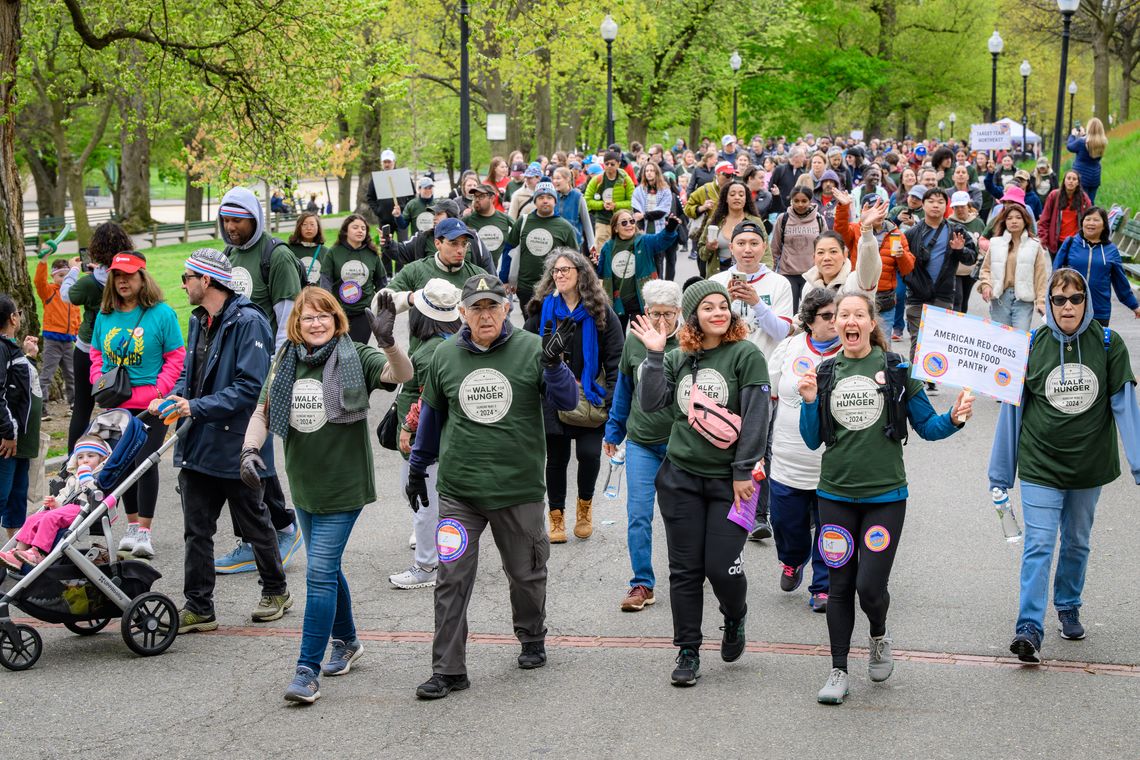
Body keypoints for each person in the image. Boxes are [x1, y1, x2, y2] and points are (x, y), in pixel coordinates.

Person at [407, 274, 578, 700]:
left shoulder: (533, 350)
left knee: (525, 574)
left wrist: (555, 367)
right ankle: (448, 669)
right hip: (459, 493)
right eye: (477, 308)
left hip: (516, 490)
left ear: (507, 309)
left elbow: (569, 401)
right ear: (462, 313)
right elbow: (430, 418)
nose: (485, 315)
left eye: (493, 306)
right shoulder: (444, 356)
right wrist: (417, 466)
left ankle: (532, 636)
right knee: (451, 579)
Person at [797, 290, 973, 705]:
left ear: (872, 323)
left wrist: (955, 418)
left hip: (885, 498)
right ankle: (838, 669)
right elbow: (811, 439)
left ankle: (878, 634)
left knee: (869, 586)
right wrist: (807, 402)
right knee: (839, 585)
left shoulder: (897, 369)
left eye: (859, 314)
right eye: (843, 315)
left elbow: (928, 426)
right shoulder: (824, 373)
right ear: (835, 324)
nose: (851, 321)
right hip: (835, 496)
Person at [242, 288, 412, 704]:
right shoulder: (286, 360)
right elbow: (263, 411)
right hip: (305, 484)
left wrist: (388, 342)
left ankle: (306, 670)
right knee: (327, 567)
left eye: (323, 316)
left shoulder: (355, 354)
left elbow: (401, 376)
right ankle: (348, 640)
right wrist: (248, 450)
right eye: (307, 318)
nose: (315, 324)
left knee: (319, 572)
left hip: (344, 486)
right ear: (296, 325)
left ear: (336, 320)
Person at [989, 268, 1140, 664]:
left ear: (1086, 301)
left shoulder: (1108, 344)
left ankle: (1068, 604)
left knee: (1076, 541)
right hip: (1041, 464)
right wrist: (1001, 474)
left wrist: (1138, 463)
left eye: (1076, 298)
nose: (1068, 306)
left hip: (1089, 466)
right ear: (1048, 304)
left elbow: (1124, 404)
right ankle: (1029, 628)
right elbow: (1012, 411)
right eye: (1060, 299)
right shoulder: (1029, 345)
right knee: (1039, 544)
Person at [631, 280, 771, 687]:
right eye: (708, 307)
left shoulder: (745, 354)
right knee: (685, 570)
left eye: (723, 306)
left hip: (731, 482)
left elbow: (758, 417)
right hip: (681, 479)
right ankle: (688, 649)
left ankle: (734, 615)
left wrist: (744, 470)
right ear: (693, 316)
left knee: (721, 569)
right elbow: (652, 402)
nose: (718, 312)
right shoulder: (679, 357)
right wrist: (655, 356)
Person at [152, 249, 291, 633]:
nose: (182, 284)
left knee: (255, 524)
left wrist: (193, 406)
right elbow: (189, 375)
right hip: (198, 442)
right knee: (196, 530)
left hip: (237, 444)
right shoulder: (200, 319)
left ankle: (276, 590)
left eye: (187, 277)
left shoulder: (250, 322)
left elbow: (251, 388)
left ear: (206, 280)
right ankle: (199, 607)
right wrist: (173, 399)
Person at [215, 189, 306, 575]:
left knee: (254, 453)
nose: (232, 227)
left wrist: (276, 374)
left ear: (255, 217)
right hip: (233, 373)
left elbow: (289, 322)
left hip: (264, 371)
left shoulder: (277, 256)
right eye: (227, 220)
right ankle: (259, 535)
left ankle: (280, 527)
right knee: (238, 455)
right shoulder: (230, 257)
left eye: (239, 220)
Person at [90, 252, 186, 559]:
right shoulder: (104, 316)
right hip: (115, 404)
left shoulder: (162, 314)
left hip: (153, 406)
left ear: (142, 277)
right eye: (117, 276)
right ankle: (131, 526)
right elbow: (95, 354)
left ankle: (145, 530)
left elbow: (176, 356)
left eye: (129, 275)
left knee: (144, 463)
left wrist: (160, 389)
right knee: (121, 465)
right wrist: (98, 381)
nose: (122, 281)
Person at [525, 250, 623, 543]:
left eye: (566, 269)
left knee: (589, 454)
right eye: (556, 270)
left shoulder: (601, 311)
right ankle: (556, 518)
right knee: (555, 459)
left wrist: (610, 400)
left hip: (590, 395)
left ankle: (585, 508)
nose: (560, 274)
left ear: (581, 273)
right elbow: (522, 349)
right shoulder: (541, 309)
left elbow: (616, 359)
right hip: (552, 395)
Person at [603, 280, 683, 612]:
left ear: (680, 312)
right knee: (638, 515)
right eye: (654, 313)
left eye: (668, 314)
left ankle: (688, 575)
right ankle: (642, 583)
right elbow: (624, 389)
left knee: (681, 516)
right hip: (641, 442)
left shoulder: (689, 342)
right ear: (646, 312)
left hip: (682, 445)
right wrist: (613, 430)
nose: (661, 321)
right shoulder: (635, 342)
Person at [767, 290, 841, 613]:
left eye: (839, 314)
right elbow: (766, 393)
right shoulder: (789, 347)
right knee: (786, 524)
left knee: (829, 528)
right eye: (827, 315)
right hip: (787, 459)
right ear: (810, 321)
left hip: (830, 466)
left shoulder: (849, 353)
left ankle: (822, 585)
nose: (836, 321)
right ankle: (792, 560)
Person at [389, 280, 463, 590]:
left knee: (424, 504)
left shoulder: (431, 350)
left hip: (425, 440)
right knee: (438, 502)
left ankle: (426, 564)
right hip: (443, 439)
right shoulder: (450, 342)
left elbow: (427, 397)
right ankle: (446, 556)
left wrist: (408, 425)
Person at [901, 188, 978, 385]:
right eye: (931, 201)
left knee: (937, 338)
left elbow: (971, 258)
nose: (936, 205)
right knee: (918, 338)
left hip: (943, 294)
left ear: (946, 206)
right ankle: (915, 382)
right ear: (923, 205)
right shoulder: (911, 233)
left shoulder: (956, 231)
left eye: (940, 201)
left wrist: (960, 250)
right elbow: (902, 263)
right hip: (916, 294)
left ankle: (932, 376)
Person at [61, 221, 126, 450]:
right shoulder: (127, 277)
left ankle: (73, 460)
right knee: (119, 407)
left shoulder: (89, 284)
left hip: (88, 347)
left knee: (82, 407)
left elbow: (67, 295)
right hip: (120, 346)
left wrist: (73, 270)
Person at [0, 435, 109, 568]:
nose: (85, 460)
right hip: (68, 508)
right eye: (80, 457)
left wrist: (86, 477)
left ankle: (38, 553)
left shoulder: (101, 476)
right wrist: (55, 502)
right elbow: (65, 495)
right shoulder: (74, 477)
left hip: (85, 509)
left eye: (90, 456)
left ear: (102, 458)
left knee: (50, 518)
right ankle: (18, 553)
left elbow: (96, 493)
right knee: (33, 518)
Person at [833, 190, 914, 334]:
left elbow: (907, 270)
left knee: (883, 346)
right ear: (864, 210)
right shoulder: (856, 229)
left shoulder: (896, 234)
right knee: (855, 339)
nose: (877, 212)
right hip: (858, 295)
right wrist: (843, 207)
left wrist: (902, 256)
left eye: (880, 208)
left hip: (884, 302)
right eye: (872, 208)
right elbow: (839, 233)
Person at [1052, 207, 1140, 326]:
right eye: (1088, 219)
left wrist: (1134, 306)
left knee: (1096, 344)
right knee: (1071, 344)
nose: (1091, 223)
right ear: (1082, 222)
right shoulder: (1070, 243)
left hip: (1099, 310)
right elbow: (1055, 275)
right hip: (1071, 308)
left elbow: (1120, 282)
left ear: (1104, 225)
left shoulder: (1111, 250)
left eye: (1096, 220)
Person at [595, 210, 681, 328]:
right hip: (617, 301)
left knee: (639, 337)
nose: (629, 225)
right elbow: (601, 273)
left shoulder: (644, 241)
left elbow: (660, 240)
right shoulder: (608, 247)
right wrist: (593, 264)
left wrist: (670, 229)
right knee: (617, 340)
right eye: (624, 223)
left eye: (632, 221)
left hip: (640, 300)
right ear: (615, 228)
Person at [502, 182, 579, 308]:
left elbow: (575, 260)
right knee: (528, 326)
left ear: (555, 201)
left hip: (554, 288)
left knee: (550, 325)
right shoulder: (523, 222)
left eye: (549, 197)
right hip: (525, 287)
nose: (545, 201)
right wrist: (505, 279)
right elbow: (508, 250)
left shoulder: (565, 227)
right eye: (541, 198)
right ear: (535, 201)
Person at [977, 203, 1049, 331]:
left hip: (1024, 299)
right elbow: (985, 269)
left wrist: (1041, 301)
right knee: (1001, 338)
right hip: (1000, 297)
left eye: (1018, 217)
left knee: (1020, 337)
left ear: (1025, 220)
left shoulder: (1035, 245)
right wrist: (986, 285)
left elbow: (1041, 277)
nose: (1014, 221)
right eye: (1009, 218)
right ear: (1004, 222)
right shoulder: (995, 243)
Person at [320, 215, 387, 344]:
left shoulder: (372, 253)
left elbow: (381, 282)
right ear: (346, 230)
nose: (360, 231)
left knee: (358, 349)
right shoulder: (333, 252)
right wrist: (328, 306)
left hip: (364, 311)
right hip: (338, 311)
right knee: (339, 348)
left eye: (363, 228)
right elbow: (325, 281)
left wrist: (380, 307)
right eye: (355, 227)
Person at [382, 199, 495, 274]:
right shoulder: (424, 237)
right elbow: (401, 252)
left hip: (464, 298)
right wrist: (388, 243)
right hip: (431, 301)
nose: (434, 218)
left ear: (451, 215)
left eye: (439, 214)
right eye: (433, 214)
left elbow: (488, 268)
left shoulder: (472, 237)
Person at [801, 211, 884, 300]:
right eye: (820, 252)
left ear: (845, 255)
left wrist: (867, 232)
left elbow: (869, 263)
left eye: (833, 251)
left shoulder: (856, 281)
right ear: (814, 257)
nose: (827, 258)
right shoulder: (809, 286)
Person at [33, 255, 79, 414]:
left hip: (68, 342)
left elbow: (76, 316)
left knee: (71, 374)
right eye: (60, 276)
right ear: (53, 276)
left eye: (67, 276)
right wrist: (43, 261)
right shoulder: (48, 291)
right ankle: (41, 407)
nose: (64, 279)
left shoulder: (71, 294)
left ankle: (74, 404)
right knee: (46, 375)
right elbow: (38, 281)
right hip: (52, 341)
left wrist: (77, 333)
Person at [770, 186, 827, 311]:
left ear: (810, 201)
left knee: (811, 311)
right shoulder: (783, 219)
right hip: (788, 273)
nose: (800, 204)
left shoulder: (819, 219)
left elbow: (825, 247)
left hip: (812, 274)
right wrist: (771, 272)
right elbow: (775, 248)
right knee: (789, 311)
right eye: (796, 201)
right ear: (791, 201)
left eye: (804, 201)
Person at [702, 180, 766, 278]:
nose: (737, 197)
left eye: (741, 195)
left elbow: (766, 253)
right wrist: (708, 248)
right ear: (726, 198)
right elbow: (702, 255)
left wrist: (764, 276)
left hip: (749, 275)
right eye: (732, 194)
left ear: (746, 199)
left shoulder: (755, 222)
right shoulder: (714, 222)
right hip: (718, 273)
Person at [585, 150, 636, 249]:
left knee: (621, 250)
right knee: (601, 251)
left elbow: (632, 201)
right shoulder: (597, 180)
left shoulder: (625, 180)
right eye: (606, 164)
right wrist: (602, 205)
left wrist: (615, 205)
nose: (609, 166)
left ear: (618, 164)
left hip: (622, 222)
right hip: (602, 220)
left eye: (612, 164)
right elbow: (587, 200)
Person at [365, 149, 414, 241]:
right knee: (386, 246)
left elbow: (412, 195)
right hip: (385, 220)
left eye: (389, 162)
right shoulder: (376, 179)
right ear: (381, 163)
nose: (387, 164)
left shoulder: (403, 177)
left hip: (402, 218)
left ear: (394, 162)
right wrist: (379, 211)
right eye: (384, 162)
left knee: (403, 246)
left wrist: (406, 210)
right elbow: (370, 197)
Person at [1038, 171, 1091, 255]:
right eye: (1068, 178)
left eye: (1074, 179)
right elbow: (1044, 220)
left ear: (1078, 183)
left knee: (1072, 268)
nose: (1071, 181)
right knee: (1057, 268)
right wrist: (1043, 240)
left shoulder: (1084, 198)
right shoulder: (1054, 196)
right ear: (1064, 181)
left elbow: (1089, 220)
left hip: (1075, 243)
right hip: (1056, 243)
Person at [551, 167, 595, 254]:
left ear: (567, 179)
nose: (555, 181)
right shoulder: (552, 196)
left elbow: (587, 223)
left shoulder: (578, 197)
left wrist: (592, 245)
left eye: (558, 178)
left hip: (574, 244)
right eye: (554, 178)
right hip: (555, 243)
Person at [1067, 118, 1107, 203]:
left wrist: (1073, 135)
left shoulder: (1081, 142)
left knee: (1080, 202)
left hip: (1081, 176)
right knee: (1090, 202)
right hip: (1095, 176)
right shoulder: (1103, 142)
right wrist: (1083, 135)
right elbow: (1091, 143)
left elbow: (1070, 146)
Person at [632, 162, 674, 236]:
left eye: (652, 170)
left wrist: (644, 215)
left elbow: (662, 211)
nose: (649, 173)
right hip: (643, 227)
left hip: (659, 225)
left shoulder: (665, 190)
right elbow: (636, 209)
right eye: (647, 171)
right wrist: (640, 225)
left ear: (656, 173)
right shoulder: (639, 190)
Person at [287, 211, 326, 286]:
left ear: (318, 227)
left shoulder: (325, 252)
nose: (308, 228)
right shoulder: (289, 250)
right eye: (304, 225)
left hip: (318, 295)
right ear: (299, 227)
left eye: (312, 224)